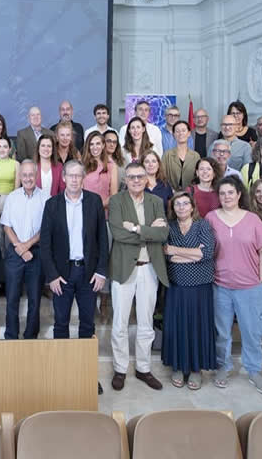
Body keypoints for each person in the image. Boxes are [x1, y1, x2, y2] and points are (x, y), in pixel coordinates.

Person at [107, 162, 169, 391]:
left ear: (146, 179)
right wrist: (148, 231)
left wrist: (136, 228)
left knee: (146, 322)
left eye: (140, 177)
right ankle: (120, 368)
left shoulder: (156, 201)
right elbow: (117, 233)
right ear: (125, 180)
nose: (135, 181)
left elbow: (162, 234)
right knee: (120, 323)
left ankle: (144, 368)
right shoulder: (116, 201)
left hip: (149, 268)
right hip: (124, 268)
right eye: (131, 177)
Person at [206, 176, 262, 393]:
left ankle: (254, 370)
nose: (226, 197)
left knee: (252, 331)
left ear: (239, 195)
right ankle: (223, 366)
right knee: (222, 331)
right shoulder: (211, 218)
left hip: (250, 287)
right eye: (222, 193)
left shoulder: (252, 219)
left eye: (230, 193)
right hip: (221, 285)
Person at [40, 161, 109, 342]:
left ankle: (83, 370)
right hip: (62, 274)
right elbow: (45, 245)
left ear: (83, 178)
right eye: (70, 175)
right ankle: (63, 370)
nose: (74, 179)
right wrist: (52, 275)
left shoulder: (94, 202)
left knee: (87, 323)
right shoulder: (52, 205)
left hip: (88, 273)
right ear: (63, 178)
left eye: (78, 175)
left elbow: (102, 239)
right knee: (61, 323)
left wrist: (101, 271)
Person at [162, 191, 217, 389]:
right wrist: (193, 254)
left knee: (197, 327)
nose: (182, 207)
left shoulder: (202, 225)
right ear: (173, 208)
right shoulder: (170, 227)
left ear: (192, 207)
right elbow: (165, 254)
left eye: (186, 203)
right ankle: (177, 367)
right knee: (177, 327)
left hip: (200, 287)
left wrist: (177, 251)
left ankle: (196, 369)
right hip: (177, 285)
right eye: (178, 204)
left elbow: (207, 253)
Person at [1, 159, 46, 340]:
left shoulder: (46, 198)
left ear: (36, 176)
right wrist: (20, 247)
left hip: (36, 253)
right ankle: (11, 336)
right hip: (14, 253)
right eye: (24, 175)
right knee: (12, 298)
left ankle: (30, 336)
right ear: (20, 177)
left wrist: (27, 246)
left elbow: (46, 229)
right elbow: (6, 226)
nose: (28, 178)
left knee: (34, 300)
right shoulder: (13, 197)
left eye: (31, 175)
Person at [81, 132, 119, 212]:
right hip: (86, 211)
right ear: (88, 147)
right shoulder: (81, 165)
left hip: (105, 213)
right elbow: (79, 192)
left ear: (103, 145)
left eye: (98, 144)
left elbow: (114, 195)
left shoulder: (111, 166)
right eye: (91, 144)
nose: (95, 147)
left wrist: (99, 206)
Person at [161, 121, 200, 190]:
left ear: (189, 133)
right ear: (173, 134)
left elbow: (198, 178)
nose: (180, 133)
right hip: (171, 195)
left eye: (183, 130)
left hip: (191, 195)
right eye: (177, 131)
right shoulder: (167, 155)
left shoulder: (196, 156)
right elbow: (162, 176)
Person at [0, 136, 20, 210]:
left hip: (10, 200)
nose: (2, 149)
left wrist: (12, 204)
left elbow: (17, 189)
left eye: (5, 147)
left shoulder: (16, 164)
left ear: (10, 149)